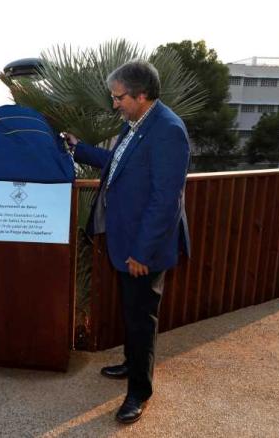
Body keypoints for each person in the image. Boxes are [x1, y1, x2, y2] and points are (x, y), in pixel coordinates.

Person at [64, 60, 190, 424]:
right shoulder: (135, 124)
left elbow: (167, 199)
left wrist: (142, 252)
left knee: (141, 320)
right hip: (127, 240)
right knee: (132, 313)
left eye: (118, 97)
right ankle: (130, 363)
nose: (114, 103)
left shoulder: (168, 130)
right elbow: (118, 163)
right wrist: (80, 149)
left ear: (141, 95)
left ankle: (139, 391)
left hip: (143, 249)